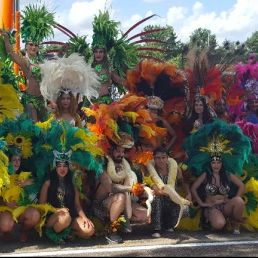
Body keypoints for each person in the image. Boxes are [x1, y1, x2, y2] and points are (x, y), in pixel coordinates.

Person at [93, 134, 150, 244]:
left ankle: (122, 222)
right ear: (110, 151)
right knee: (121, 196)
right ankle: (111, 231)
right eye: (118, 151)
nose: (121, 154)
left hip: (123, 202)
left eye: (123, 151)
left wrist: (142, 191)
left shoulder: (126, 165)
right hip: (102, 205)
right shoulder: (102, 166)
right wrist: (130, 188)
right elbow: (110, 187)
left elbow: (133, 188)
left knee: (145, 215)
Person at [39, 155, 95, 242]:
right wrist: (57, 210)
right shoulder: (48, 183)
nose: (62, 169)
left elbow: (77, 205)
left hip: (70, 216)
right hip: (52, 217)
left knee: (89, 230)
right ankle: (52, 234)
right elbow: (42, 205)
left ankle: (69, 234)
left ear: (68, 167)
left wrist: (84, 218)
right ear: (55, 167)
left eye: (65, 166)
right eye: (59, 166)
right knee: (65, 217)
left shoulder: (72, 184)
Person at [191, 155, 245, 234]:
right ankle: (215, 222)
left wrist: (231, 200)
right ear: (210, 164)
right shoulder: (206, 175)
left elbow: (241, 185)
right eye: (213, 163)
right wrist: (201, 203)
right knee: (219, 224)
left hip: (225, 206)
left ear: (222, 164)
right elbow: (193, 188)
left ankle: (235, 224)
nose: (216, 165)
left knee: (239, 201)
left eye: (218, 163)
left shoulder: (227, 174)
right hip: (212, 207)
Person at [0, 29, 46, 122]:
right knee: (34, 127)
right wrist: (6, 38)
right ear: (26, 47)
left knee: (44, 128)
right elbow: (11, 53)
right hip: (30, 100)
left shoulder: (41, 62)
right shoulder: (25, 61)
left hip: (41, 99)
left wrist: (61, 52)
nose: (33, 47)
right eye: (31, 44)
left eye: (36, 45)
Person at [146, 147, 191, 238]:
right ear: (154, 159)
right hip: (158, 197)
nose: (161, 161)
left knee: (185, 208)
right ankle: (156, 229)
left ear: (167, 158)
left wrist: (188, 193)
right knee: (156, 198)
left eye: (163, 157)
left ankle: (169, 225)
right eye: (158, 158)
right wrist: (170, 194)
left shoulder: (174, 168)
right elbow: (155, 189)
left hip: (171, 198)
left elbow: (182, 181)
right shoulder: (150, 170)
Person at [0, 152, 40, 242]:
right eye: (14, 160)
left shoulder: (24, 176)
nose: (17, 162)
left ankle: (24, 231)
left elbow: (39, 181)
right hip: (6, 210)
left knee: (34, 215)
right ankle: (7, 232)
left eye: (19, 160)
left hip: (22, 209)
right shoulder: (2, 178)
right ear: (8, 162)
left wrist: (29, 182)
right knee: (5, 224)